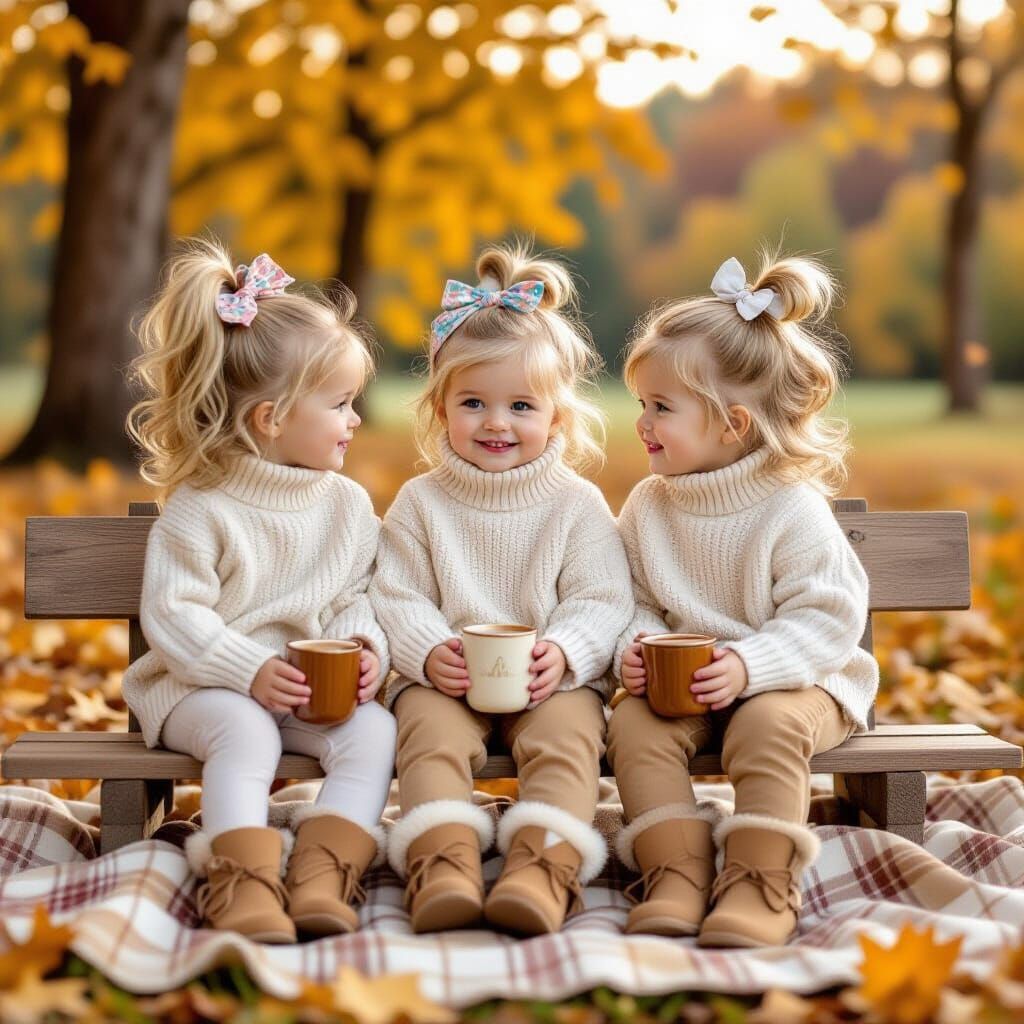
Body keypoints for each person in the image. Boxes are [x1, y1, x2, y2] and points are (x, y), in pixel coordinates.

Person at [123, 238, 395, 943]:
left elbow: (355, 596)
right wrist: (247, 670)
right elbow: (173, 616)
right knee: (243, 731)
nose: (354, 419)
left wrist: (365, 645)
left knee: (373, 731)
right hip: (197, 690)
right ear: (270, 419)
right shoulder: (202, 506)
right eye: (339, 403)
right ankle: (240, 884)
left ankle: (322, 873)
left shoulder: (347, 507)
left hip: (304, 690)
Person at [607, 253, 878, 947]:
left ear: (732, 424)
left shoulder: (791, 508)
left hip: (800, 682)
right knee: (636, 727)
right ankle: (676, 870)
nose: (642, 422)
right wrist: (633, 646)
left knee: (766, 726)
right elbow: (632, 598)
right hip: (688, 685)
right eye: (643, 403)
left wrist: (751, 666)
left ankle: (761, 882)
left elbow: (829, 620)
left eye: (661, 407)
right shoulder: (648, 506)